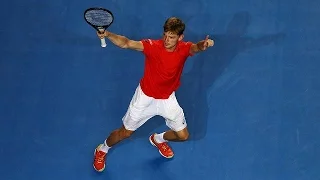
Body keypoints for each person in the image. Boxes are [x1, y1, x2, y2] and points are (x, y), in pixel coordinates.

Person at [93, 17, 214, 172]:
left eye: (171, 37)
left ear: (180, 37)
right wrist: (108, 34)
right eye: (165, 35)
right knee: (125, 133)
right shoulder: (153, 46)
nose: (166, 40)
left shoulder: (184, 48)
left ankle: (157, 139)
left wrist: (205, 45)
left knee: (183, 136)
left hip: (167, 99)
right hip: (145, 99)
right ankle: (102, 149)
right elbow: (127, 43)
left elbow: (196, 48)